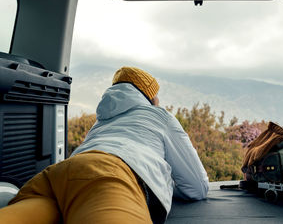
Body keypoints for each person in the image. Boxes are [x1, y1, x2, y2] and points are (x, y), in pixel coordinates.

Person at [0, 66, 209, 224]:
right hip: (108, 177)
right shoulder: (158, 115)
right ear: (150, 96)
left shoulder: (101, 121)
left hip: (56, 176)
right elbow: (197, 187)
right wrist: (163, 181)